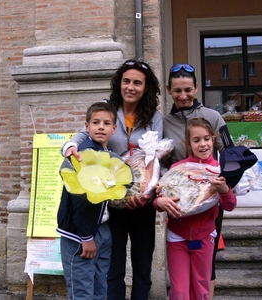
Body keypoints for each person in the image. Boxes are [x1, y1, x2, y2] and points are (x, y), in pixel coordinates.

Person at [61, 59, 162, 300]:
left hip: (141, 202)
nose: (131, 87)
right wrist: (69, 145)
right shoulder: (107, 110)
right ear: (119, 83)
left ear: (145, 87)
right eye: (126, 81)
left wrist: (145, 194)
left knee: (142, 265)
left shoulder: (153, 116)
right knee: (112, 268)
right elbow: (83, 135)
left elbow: (155, 157)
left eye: (137, 83)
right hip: (111, 203)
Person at [164, 63, 234, 298]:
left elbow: (231, 155)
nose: (183, 96)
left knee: (207, 262)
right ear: (168, 90)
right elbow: (162, 162)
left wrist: (224, 188)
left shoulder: (213, 117)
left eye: (188, 90)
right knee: (181, 271)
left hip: (209, 199)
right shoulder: (165, 123)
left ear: (196, 88)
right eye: (177, 91)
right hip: (179, 203)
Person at [153, 117, 237, 299]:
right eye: (196, 140)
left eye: (206, 138)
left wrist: (224, 190)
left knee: (201, 289)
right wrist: (159, 202)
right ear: (189, 144)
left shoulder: (220, 170)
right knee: (179, 291)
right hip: (177, 236)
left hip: (205, 236)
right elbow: (160, 199)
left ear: (213, 139)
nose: (203, 144)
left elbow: (230, 205)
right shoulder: (178, 169)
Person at [57, 101, 118, 299]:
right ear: (86, 127)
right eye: (96, 122)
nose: (101, 127)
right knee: (82, 292)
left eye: (107, 123)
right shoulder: (84, 154)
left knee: (101, 290)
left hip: (102, 229)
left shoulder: (107, 154)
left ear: (114, 129)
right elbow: (80, 199)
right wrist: (86, 236)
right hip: (80, 235)